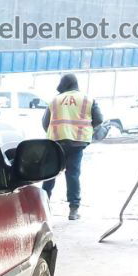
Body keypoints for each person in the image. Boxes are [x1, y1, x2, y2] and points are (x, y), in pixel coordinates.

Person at [42, 73, 103, 220]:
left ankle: (43, 206)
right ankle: (73, 210)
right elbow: (99, 119)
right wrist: (85, 129)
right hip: (77, 142)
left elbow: (45, 122)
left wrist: (56, 132)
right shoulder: (88, 99)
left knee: (50, 174)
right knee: (73, 175)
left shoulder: (55, 100)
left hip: (56, 142)